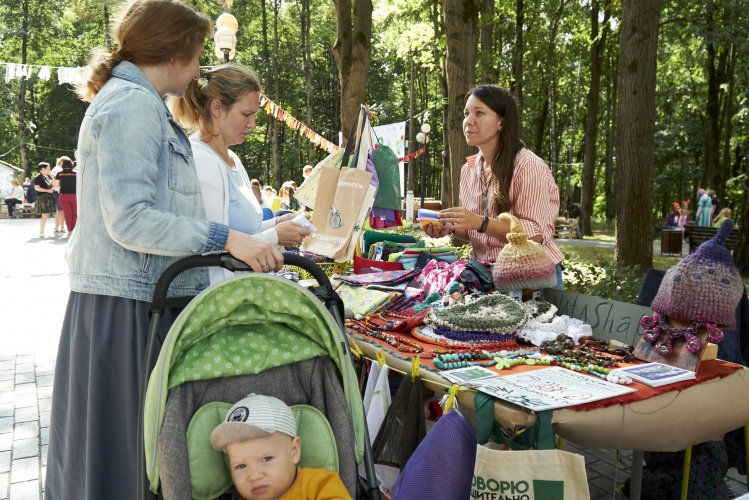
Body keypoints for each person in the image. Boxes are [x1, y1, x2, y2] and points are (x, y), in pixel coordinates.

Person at [44, 2, 283, 499]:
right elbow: (130, 218)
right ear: (175, 53)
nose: (199, 71)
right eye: (197, 56)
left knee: (125, 454)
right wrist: (227, 239)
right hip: (124, 307)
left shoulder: (136, 101)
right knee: (131, 454)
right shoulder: (131, 105)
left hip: (126, 301)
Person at [170, 63, 309, 283]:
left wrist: (276, 225)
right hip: (221, 293)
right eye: (246, 114)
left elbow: (242, 230)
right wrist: (275, 235)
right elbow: (213, 251)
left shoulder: (231, 158)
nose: (252, 124)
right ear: (217, 109)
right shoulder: (202, 159)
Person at [423, 85, 564, 288]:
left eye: (479, 113)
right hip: (487, 276)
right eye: (466, 113)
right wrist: (451, 227)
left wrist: (481, 222)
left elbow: (535, 233)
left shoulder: (527, 165)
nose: (468, 121)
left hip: (532, 279)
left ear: (501, 123)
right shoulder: (469, 169)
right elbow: (474, 229)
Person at [210, 394, 351, 500]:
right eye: (241, 466)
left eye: (266, 459)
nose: (254, 476)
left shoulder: (318, 484)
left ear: (294, 451)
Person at [54, 156, 77, 233]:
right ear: (71, 165)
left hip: (63, 196)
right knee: (75, 213)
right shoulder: (76, 174)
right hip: (74, 195)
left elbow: (57, 186)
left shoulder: (59, 174)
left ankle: (69, 230)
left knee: (68, 214)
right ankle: (74, 230)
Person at [32, 162, 55, 238]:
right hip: (42, 198)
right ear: (43, 169)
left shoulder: (46, 177)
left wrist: (52, 177)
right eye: (48, 168)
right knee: (44, 215)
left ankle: (42, 231)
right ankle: (41, 231)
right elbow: (37, 188)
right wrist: (47, 191)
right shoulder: (38, 177)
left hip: (47, 197)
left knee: (46, 215)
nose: (49, 170)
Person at [50, 157, 66, 233]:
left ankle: (56, 227)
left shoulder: (55, 168)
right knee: (61, 211)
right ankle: (62, 226)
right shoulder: (59, 170)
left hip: (55, 191)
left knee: (58, 211)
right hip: (58, 191)